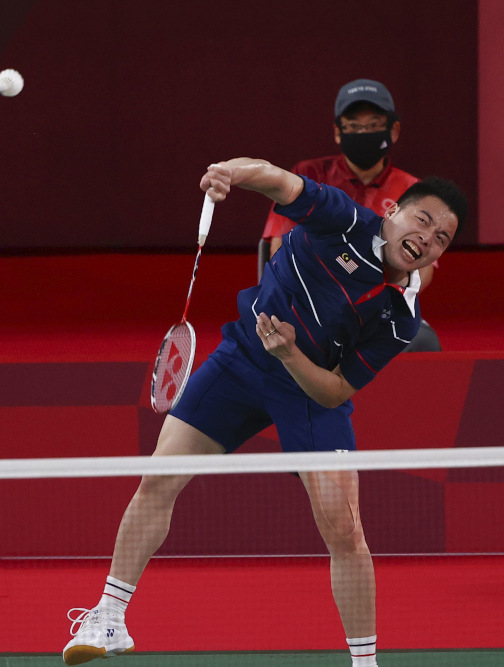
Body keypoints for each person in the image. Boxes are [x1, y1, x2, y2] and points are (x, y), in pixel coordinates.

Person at [62, 159, 466, 667]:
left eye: (441, 238)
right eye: (422, 220)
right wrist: (228, 173)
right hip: (243, 361)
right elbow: (278, 180)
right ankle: (109, 617)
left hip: (307, 389)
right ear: (393, 211)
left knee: (344, 531)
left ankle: (365, 665)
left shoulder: (400, 316)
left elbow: (336, 390)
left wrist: (291, 355)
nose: (426, 238)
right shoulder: (342, 218)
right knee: (160, 477)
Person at [258, 78, 440, 351]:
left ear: (393, 130)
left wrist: (383, 301)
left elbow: (423, 268)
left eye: (374, 125)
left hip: (380, 310)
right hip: (313, 307)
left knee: (423, 343)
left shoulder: (414, 191)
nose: (363, 132)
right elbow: (279, 249)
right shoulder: (307, 176)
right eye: (354, 126)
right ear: (338, 131)